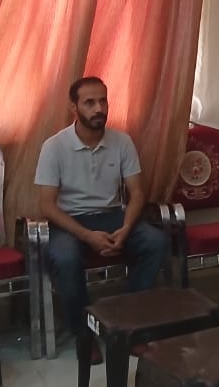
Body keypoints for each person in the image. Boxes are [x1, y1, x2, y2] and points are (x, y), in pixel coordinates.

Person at [35, 76, 169, 364]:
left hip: (112, 216)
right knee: (66, 258)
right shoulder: (54, 146)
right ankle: (84, 335)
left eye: (103, 101)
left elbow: (137, 193)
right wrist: (87, 236)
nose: (99, 108)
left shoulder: (121, 141)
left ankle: (128, 325)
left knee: (155, 242)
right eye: (89, 102)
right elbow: (46, 205)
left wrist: (126, 228)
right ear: (74, 107)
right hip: (70, 221)